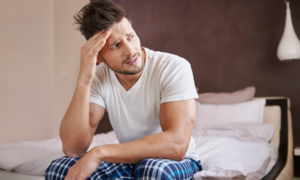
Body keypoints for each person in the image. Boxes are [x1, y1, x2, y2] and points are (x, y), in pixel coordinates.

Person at [45, 0, 202, 179]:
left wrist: (99, 152)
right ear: (99, 57)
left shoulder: (173, 67)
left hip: (175, 160)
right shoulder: (99, 76)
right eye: (116, 46)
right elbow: (73, 148)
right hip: (129, 160)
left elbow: (177, 145)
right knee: (59, 168)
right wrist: (83, 81)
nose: (130, 50)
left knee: (152, 169)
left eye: (131, 36)